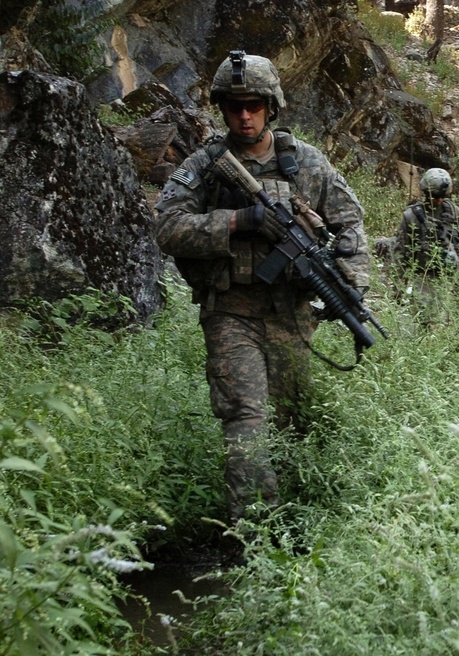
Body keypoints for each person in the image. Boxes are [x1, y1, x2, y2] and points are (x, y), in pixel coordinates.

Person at [154, 51, 370, 522]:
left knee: (296, 416)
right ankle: (257, 532)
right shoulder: (207, 165)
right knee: (245, 419)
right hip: (230, 311)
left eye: (253, 104)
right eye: (234, 106)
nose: (244, 115)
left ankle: (307, 516)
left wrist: (350, 284)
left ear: (271, 106)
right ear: (222, 108)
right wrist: (238, 220)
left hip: (291, 312)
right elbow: (167, 227)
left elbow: (350, 228)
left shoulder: (308, 163)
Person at [392, 167, 459, 323]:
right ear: (425, 192)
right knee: (425, 322)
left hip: (451, 277)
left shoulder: (453, 212)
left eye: (442, 196)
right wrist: (399, 288)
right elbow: (400, 253)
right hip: (424, 278)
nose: (439, 200)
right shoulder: (412, 216)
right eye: (435, 196)